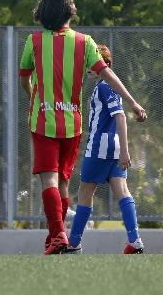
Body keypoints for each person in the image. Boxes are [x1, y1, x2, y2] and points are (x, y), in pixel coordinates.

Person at [19, 0, 146, 255]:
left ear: (43, 13)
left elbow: (24, 78)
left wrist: (34, 97)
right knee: (63, 182)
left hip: (42, 120)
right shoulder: (86, 42)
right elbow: (108, 75)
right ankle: (61, 236)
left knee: (49, 181)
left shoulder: (34, 41)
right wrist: (132, 101)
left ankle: (58, 236)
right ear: (70, 12)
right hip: (72, 124)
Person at [64, 45, 144, 254]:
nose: (88, 67)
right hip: (114, 147)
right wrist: (122, 150)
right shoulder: (111, 87)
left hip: (100, 147)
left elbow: (121, 116)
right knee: (122, 191)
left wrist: (126, 152)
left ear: (104, 65)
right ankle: (135, 240)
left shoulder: (104, 87)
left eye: (92, 63)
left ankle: (74, 242)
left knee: (85, 190)